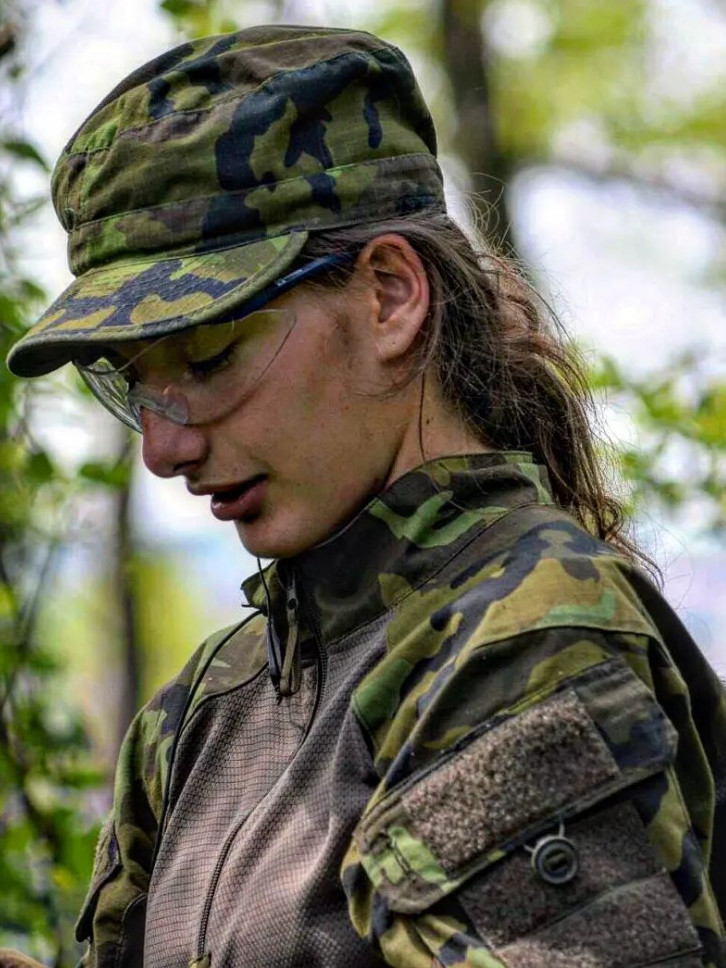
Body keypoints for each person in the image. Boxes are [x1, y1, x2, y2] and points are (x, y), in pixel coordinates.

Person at [2, 23, 725, 968]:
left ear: (389, 296)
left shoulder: (522, 642)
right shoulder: (211, 705)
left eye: (210, 358)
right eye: (138, 385)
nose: (164, 449)